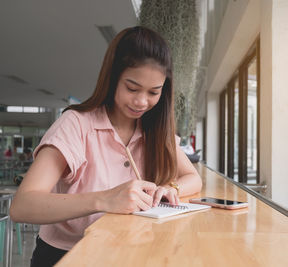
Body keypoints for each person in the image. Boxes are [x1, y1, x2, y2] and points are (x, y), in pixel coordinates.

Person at [10, 26, 202, 267]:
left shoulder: (155, 128)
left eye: (154, 92)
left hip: (128, 251)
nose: (141, 101)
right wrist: (104, 199)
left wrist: (169, 188)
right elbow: (22, 206)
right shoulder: (76, 125)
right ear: (112, 78)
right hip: (68, 255)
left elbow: (193, 177)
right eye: (132, 88)